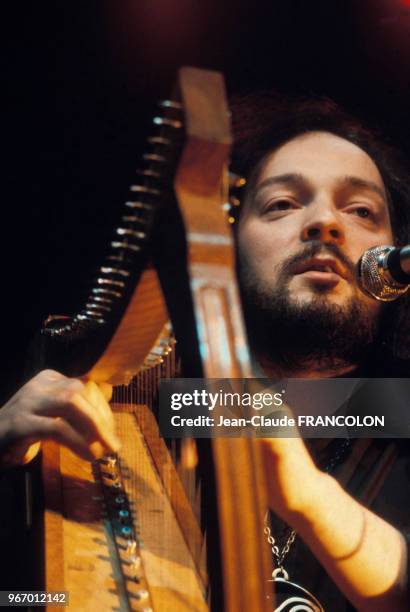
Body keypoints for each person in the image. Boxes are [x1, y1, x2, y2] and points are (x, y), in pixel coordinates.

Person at [231, 96, 410, 610]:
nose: (325, 224)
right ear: (223, 244)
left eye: (360, 211)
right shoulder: (149, 408)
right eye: (283, 204)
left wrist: (308, 493)